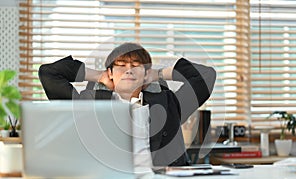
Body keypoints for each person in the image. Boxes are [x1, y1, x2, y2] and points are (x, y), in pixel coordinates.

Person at [39, 42, 216, 167]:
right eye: (121, 65)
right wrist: (98, 76)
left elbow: (206, 76)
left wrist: (159, 73)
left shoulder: (169, 104)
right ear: (110, 74)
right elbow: (49, 73)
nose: (128, 70)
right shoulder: (89, 104)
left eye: (136, 65)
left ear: (146, 75)